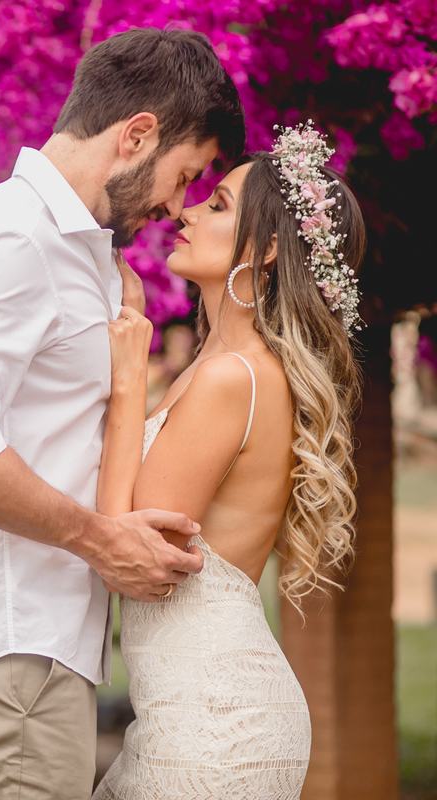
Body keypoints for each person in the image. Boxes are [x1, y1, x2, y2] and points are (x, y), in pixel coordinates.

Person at [0, 27, 245, 799]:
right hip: (4, 645)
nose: (174, 206)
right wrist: (98, 540)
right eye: (182, 177)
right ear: (136, 135)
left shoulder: (80, 255)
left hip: (35, 651)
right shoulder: (12, 236)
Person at [92, 122, 365, 798]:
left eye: (217, 206)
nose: (186, 210)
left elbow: (131, 547)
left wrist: (129, 378)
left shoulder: (232, 378)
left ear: (269, 249)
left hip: (217, 727)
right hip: (191, 716)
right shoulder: (217, 368)